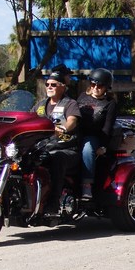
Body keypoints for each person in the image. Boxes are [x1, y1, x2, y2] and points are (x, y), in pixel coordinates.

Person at [32, 65, 81, 217]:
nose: (49, 87)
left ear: (62, 87)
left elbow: (72, 120)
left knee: (57, 159)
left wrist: (64, 128)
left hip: (66, 149)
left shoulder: (70, 103)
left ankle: (53, 202)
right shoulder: (40, 105)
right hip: (43, 147)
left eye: (53, 85)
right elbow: (28, 119)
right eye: (47, 84)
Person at [76, 68, 118, 199]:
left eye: (99, 86)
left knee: (87, 149)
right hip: (77, 134)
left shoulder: (110, 103)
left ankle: (87, 184)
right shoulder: (82, 97)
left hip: (93, 136)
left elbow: (107, 127)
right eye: (93, 84)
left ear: (106, 87)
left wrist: (103, 146)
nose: (95, 88)